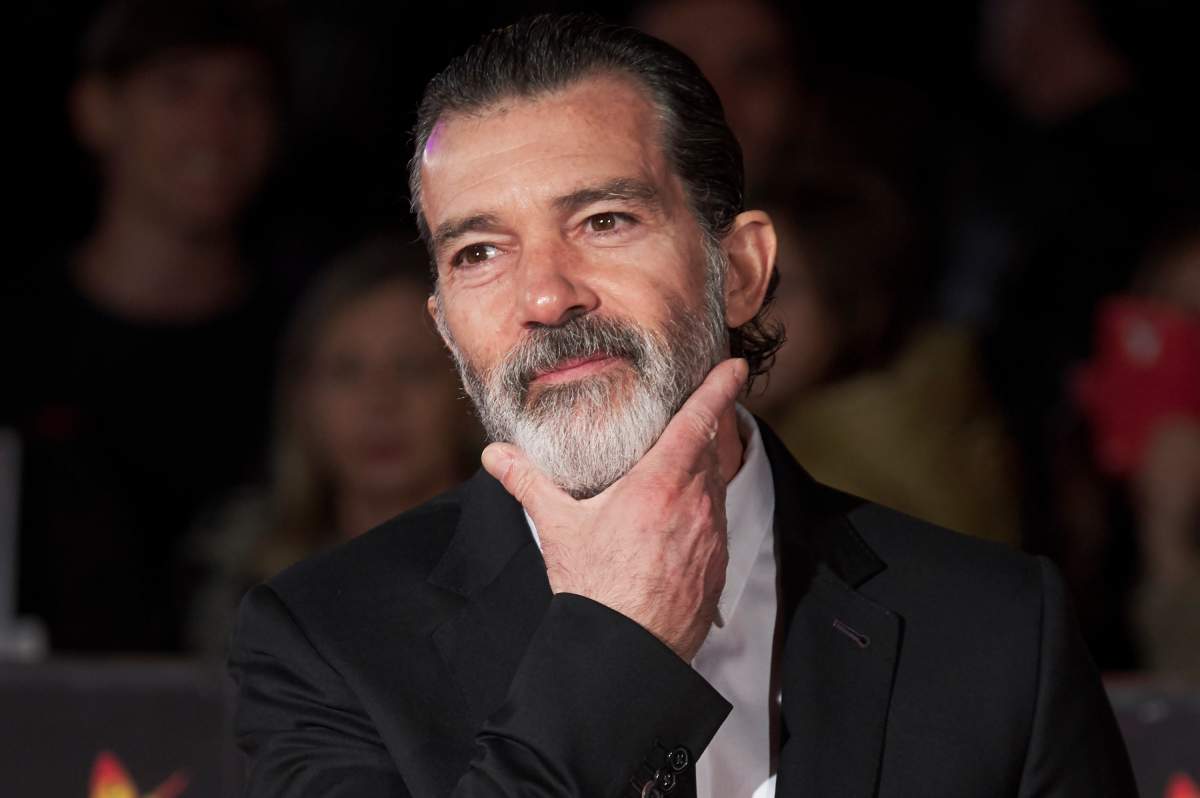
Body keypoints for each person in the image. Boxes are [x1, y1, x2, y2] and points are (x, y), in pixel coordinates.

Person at [230, 15, 1135, 797]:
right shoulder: (327, 643)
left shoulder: (998, 629)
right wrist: (617, 645)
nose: (545, 296)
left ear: (739, 271)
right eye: (480, 253)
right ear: (447, 328)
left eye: (604, 221)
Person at [1, 0, 284, 652]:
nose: (215, 127)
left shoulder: (315, 346)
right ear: (96, 110)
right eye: (177, 89)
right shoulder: (19, 338)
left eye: (244, 96)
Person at [187, 234, 479, 655]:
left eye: (413, 368)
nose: (380, 402)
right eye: (347, 371)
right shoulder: (242, 574)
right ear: (303, 396)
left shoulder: (532, 565)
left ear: (468, 390)